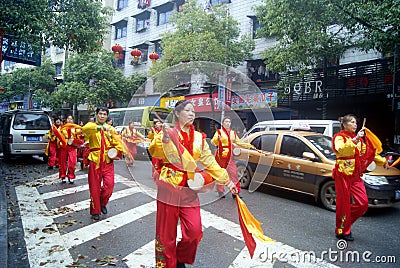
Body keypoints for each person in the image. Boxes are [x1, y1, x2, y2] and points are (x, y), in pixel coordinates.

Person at [148, 100, 237, 268]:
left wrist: (227, 181)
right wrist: (165, 140)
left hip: (190, 188)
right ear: (177, 113)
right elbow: (154, 151)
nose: (191, 114)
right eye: (187, 110)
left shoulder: (199, 138)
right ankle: (167, 264)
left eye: (193, 111)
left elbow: (210, 162)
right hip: (169, 188)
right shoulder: (167, 133)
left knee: (194, 232)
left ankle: (180, 258)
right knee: (166, 234)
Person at [332, 114, 388, 241]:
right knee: (343, 204)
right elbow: (341, 150)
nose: (355, 125)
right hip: (343, 175)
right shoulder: (339, 137)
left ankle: (343, 224)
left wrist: (383, 162)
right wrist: (356, 139)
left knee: (363, 204)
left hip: (356, 176)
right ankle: (342, 230)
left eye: (356, 122)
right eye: (351, 122)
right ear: (344, 125)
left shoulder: (360, 140)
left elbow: (368, 154)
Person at [82, 107, 125, 221]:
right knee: (94, 188)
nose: (102, 116)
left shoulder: (111, 129)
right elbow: (85, 129)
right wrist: (99, 127)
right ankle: (95, 211)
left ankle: (102, 203)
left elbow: (118, 143)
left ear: (107, 116)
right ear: (96, 115)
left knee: (109, 186)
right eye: (100, 114)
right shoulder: (91, 127)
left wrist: (117, 150)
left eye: (104, 114)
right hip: (95, 161)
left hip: (107, 161)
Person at [211, 116, 255, 199]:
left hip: (230, 156)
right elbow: (213, 142)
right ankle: (220, 191)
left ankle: (235, 191)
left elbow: (239, 142)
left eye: (229, 122)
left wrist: (249, 146)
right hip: (221, 156)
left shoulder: (233, 133)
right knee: (221, 174)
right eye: (226, 122)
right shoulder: (219, 132)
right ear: (223, 123)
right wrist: (217, 139)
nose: (228, 123)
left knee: (233, 173)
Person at [58, 115, 83, 184]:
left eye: (71, 119)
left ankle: (71, 176)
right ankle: (63, 176)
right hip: (64, 145)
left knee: (72, 162)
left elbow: (79, 135)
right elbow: (58, 136)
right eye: (68, 118)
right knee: (62, 162)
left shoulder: (75, 128)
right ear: (66, 120)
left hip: (72, 146)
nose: (69, 120)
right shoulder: (62, 128)